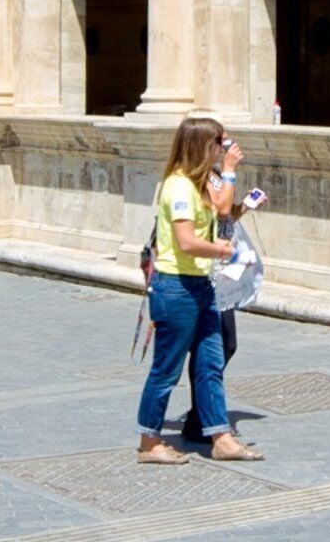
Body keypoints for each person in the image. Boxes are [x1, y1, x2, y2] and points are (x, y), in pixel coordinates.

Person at [132, 115, 258, 466]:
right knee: (166, 369)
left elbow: (222, 208)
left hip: (201, 286)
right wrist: (222, 250)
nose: (224, 148)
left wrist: (229, 172)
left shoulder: (200, 182)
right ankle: (149, 440)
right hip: (176, 288)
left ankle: (221, 437)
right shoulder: (178, 186)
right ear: (202, 145)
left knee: (211, 363)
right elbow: (186, 242)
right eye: (219, 142)